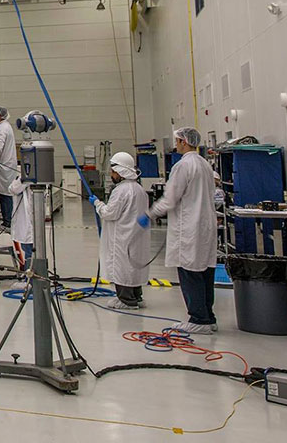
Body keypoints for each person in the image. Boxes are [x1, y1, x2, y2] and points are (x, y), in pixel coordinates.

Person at [138, 127, 218, 334]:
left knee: (190, 272)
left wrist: (150, 214)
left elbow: (170, 199)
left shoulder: (183, 166)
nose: (176, 145)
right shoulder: (204, 164)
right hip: (206, 226)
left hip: (189, 227)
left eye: (177, 141)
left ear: (184, 141)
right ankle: (208, 317)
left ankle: (199, 319)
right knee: (205, 272)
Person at [90, 151, 150, 309]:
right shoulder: (139, 189)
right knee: (133, 267)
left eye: (113, 171)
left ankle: (126, 300)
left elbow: (110, 213)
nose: (112, 174)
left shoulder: (121, 191)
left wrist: (97, 204)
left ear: (121, 171)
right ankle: (136, 296)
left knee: (122, 267)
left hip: (123, 236)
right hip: (136, 236)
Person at [6, 173, 33, 288]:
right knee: (29, 248)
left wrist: (21, 178)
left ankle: (30, 279)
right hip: (30, 220)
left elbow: (13, 189)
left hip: (28, 221)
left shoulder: (27, 178)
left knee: (29, 250)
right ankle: (31, 276)